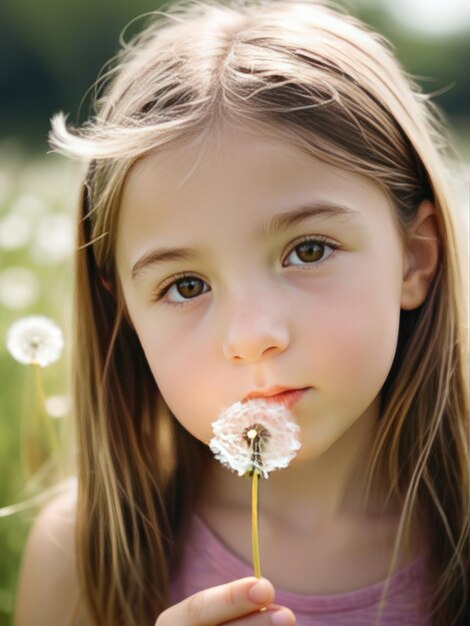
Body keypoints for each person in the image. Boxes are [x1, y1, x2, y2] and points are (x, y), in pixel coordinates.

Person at [14, 1, 469, 625]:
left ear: (414, 259)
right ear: (123, 313)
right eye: (186, 285)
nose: (252, 335)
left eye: (308, 251)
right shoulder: (78, 555)